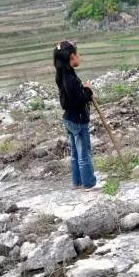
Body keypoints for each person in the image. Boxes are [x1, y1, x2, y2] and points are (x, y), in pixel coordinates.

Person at [53, 40, 97, 190]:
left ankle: (77, 182)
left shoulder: (63, 74)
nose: (80, 56)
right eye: (78, 54)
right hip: (78, 121)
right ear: (71, 57)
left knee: (75, 153)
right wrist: (88, 91)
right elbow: (78, 100)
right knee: (84, 153)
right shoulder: (70, 79)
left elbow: (71, 98)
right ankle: (89, 183)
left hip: (69, 119)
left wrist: (82, 89)